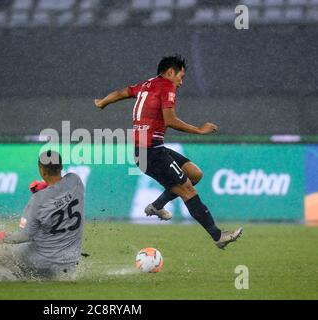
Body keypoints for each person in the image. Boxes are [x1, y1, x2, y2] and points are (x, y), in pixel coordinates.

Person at [94, 55, 242, 249]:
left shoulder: (148, 84)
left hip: (151, 149)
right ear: (171, 72)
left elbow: (122, 92)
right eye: (181, 76)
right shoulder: (166, 86)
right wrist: (198, 130)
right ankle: (218, 236)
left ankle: (157, 206)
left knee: (195, 175)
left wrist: (103, 102)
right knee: (188, 190)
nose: (181, 82)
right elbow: (170, 120)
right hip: (151, 153)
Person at [0, 150, 85, 279]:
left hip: (42, 261)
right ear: (61, 167)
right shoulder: (75, 181)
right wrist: (46, 187)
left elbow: (23, 236)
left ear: (42, 170)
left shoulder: (38, 200)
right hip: (70, 261)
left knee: (0, 258)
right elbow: (60, 189)